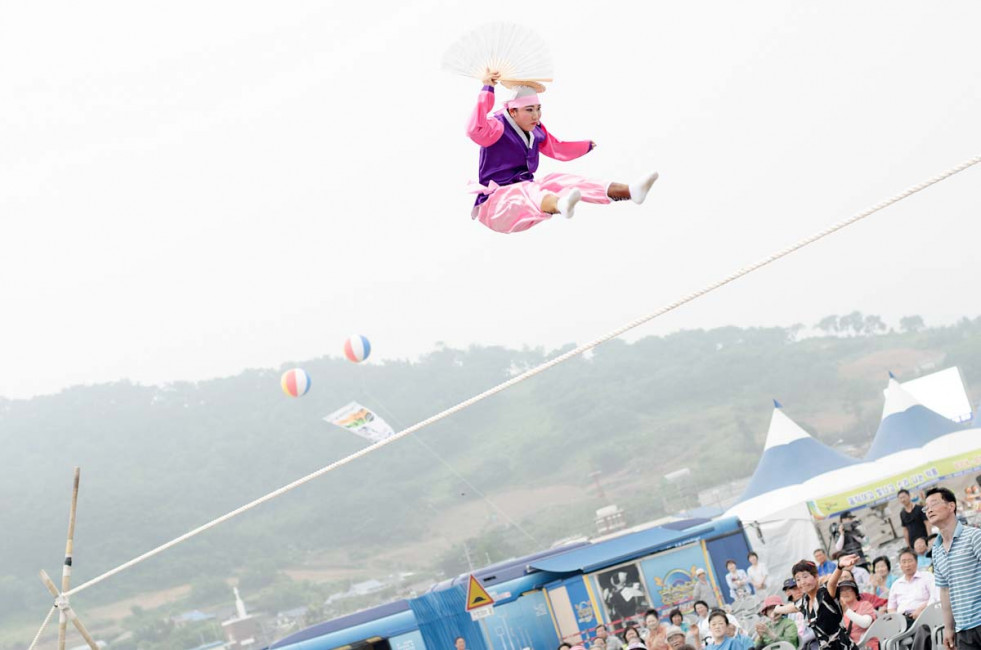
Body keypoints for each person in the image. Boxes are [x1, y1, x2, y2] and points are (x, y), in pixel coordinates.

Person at [465, 74, 658, 234]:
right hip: (496, 205)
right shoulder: (496, 127)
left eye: (538, 109)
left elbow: (557, 148)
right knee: (530, 191)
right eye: (529, 110)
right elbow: (475, 129)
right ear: (513, 111)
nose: (536, 116)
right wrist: (487, 89)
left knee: (560, 180)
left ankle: (630, 191)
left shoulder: (536, 130)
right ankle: (560, 204)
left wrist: (585, 146)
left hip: (524, 197)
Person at [926, 486, 981, 650]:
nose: (929, 510)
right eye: (926, 507)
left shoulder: (974, 536)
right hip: (963, 629)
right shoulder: (936, 550)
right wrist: (949, 628)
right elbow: (945, 591)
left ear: (951, 506)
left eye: (934, 504)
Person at [773, 554, 861, 650]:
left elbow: (832, 583)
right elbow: (789, 607)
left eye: (805, 577)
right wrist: (776, 609)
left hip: (842, 646)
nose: (802, 582)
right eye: (798, 579)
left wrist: (839, 567)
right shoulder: (804, 602)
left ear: (816, 577)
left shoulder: (824, 593)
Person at [886, 548, 938, 625]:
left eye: (910, 561)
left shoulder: (927, 577)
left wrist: (921, 609)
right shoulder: (896, 584)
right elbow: (891, 608)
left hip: (924, 615)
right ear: (900, 565)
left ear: (916, 562)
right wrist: (898, 619)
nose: (907, 565)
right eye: (903, 562)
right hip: (902, 621)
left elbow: (935, 597)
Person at [837, 580, 878, 650]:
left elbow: (865, 623)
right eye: (841, 590)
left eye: (848, 589)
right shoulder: (837, 611)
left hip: (866, 646)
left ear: (856, 593)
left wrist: (846, 610)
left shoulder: (864, 605)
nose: (844, 593)